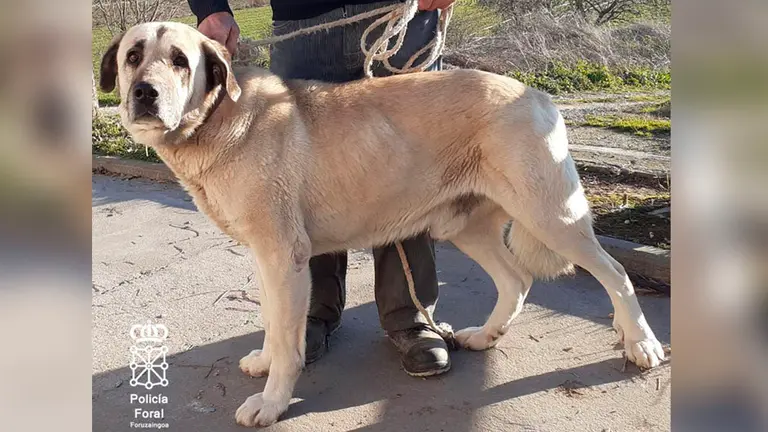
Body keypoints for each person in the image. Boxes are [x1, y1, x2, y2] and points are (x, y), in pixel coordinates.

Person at [187, 0, 455, 377]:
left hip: (400, 15)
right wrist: (209, 6)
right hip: (303, 21)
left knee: (406, 165)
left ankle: (411, 315)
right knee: (297, 179)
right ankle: (311, 314)